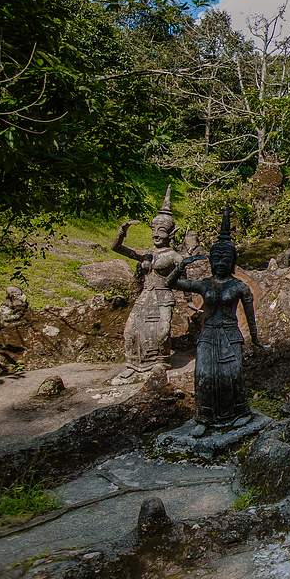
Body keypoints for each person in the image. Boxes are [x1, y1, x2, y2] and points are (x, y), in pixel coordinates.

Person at [166, 209, 261, 437]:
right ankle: (204, 416)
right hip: (208, 335)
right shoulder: (204, 284)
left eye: (225, 260)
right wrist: (181, 265)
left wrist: (257, 340)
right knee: (204, 374)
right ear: (210, 261)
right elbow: (172, 283)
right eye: (216, 259)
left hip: (230, 334)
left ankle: (241, 412)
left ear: (232, 262)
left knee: (233, 374)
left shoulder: (239, 287)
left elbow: (250, 318)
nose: (220, 263)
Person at [112, 185, 182, 379]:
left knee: (162, 331)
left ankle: (160, 362)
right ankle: (133, 364)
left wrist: (190, 301)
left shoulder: (175, 257)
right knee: (131, 330)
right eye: (154, 230)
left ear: (171, 233)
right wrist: (122, 231)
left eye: (162, 230)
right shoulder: (147, 254)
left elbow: (184, 282)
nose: (157, 235)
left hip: (163, 296)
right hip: (145, 296)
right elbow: (116, 248)